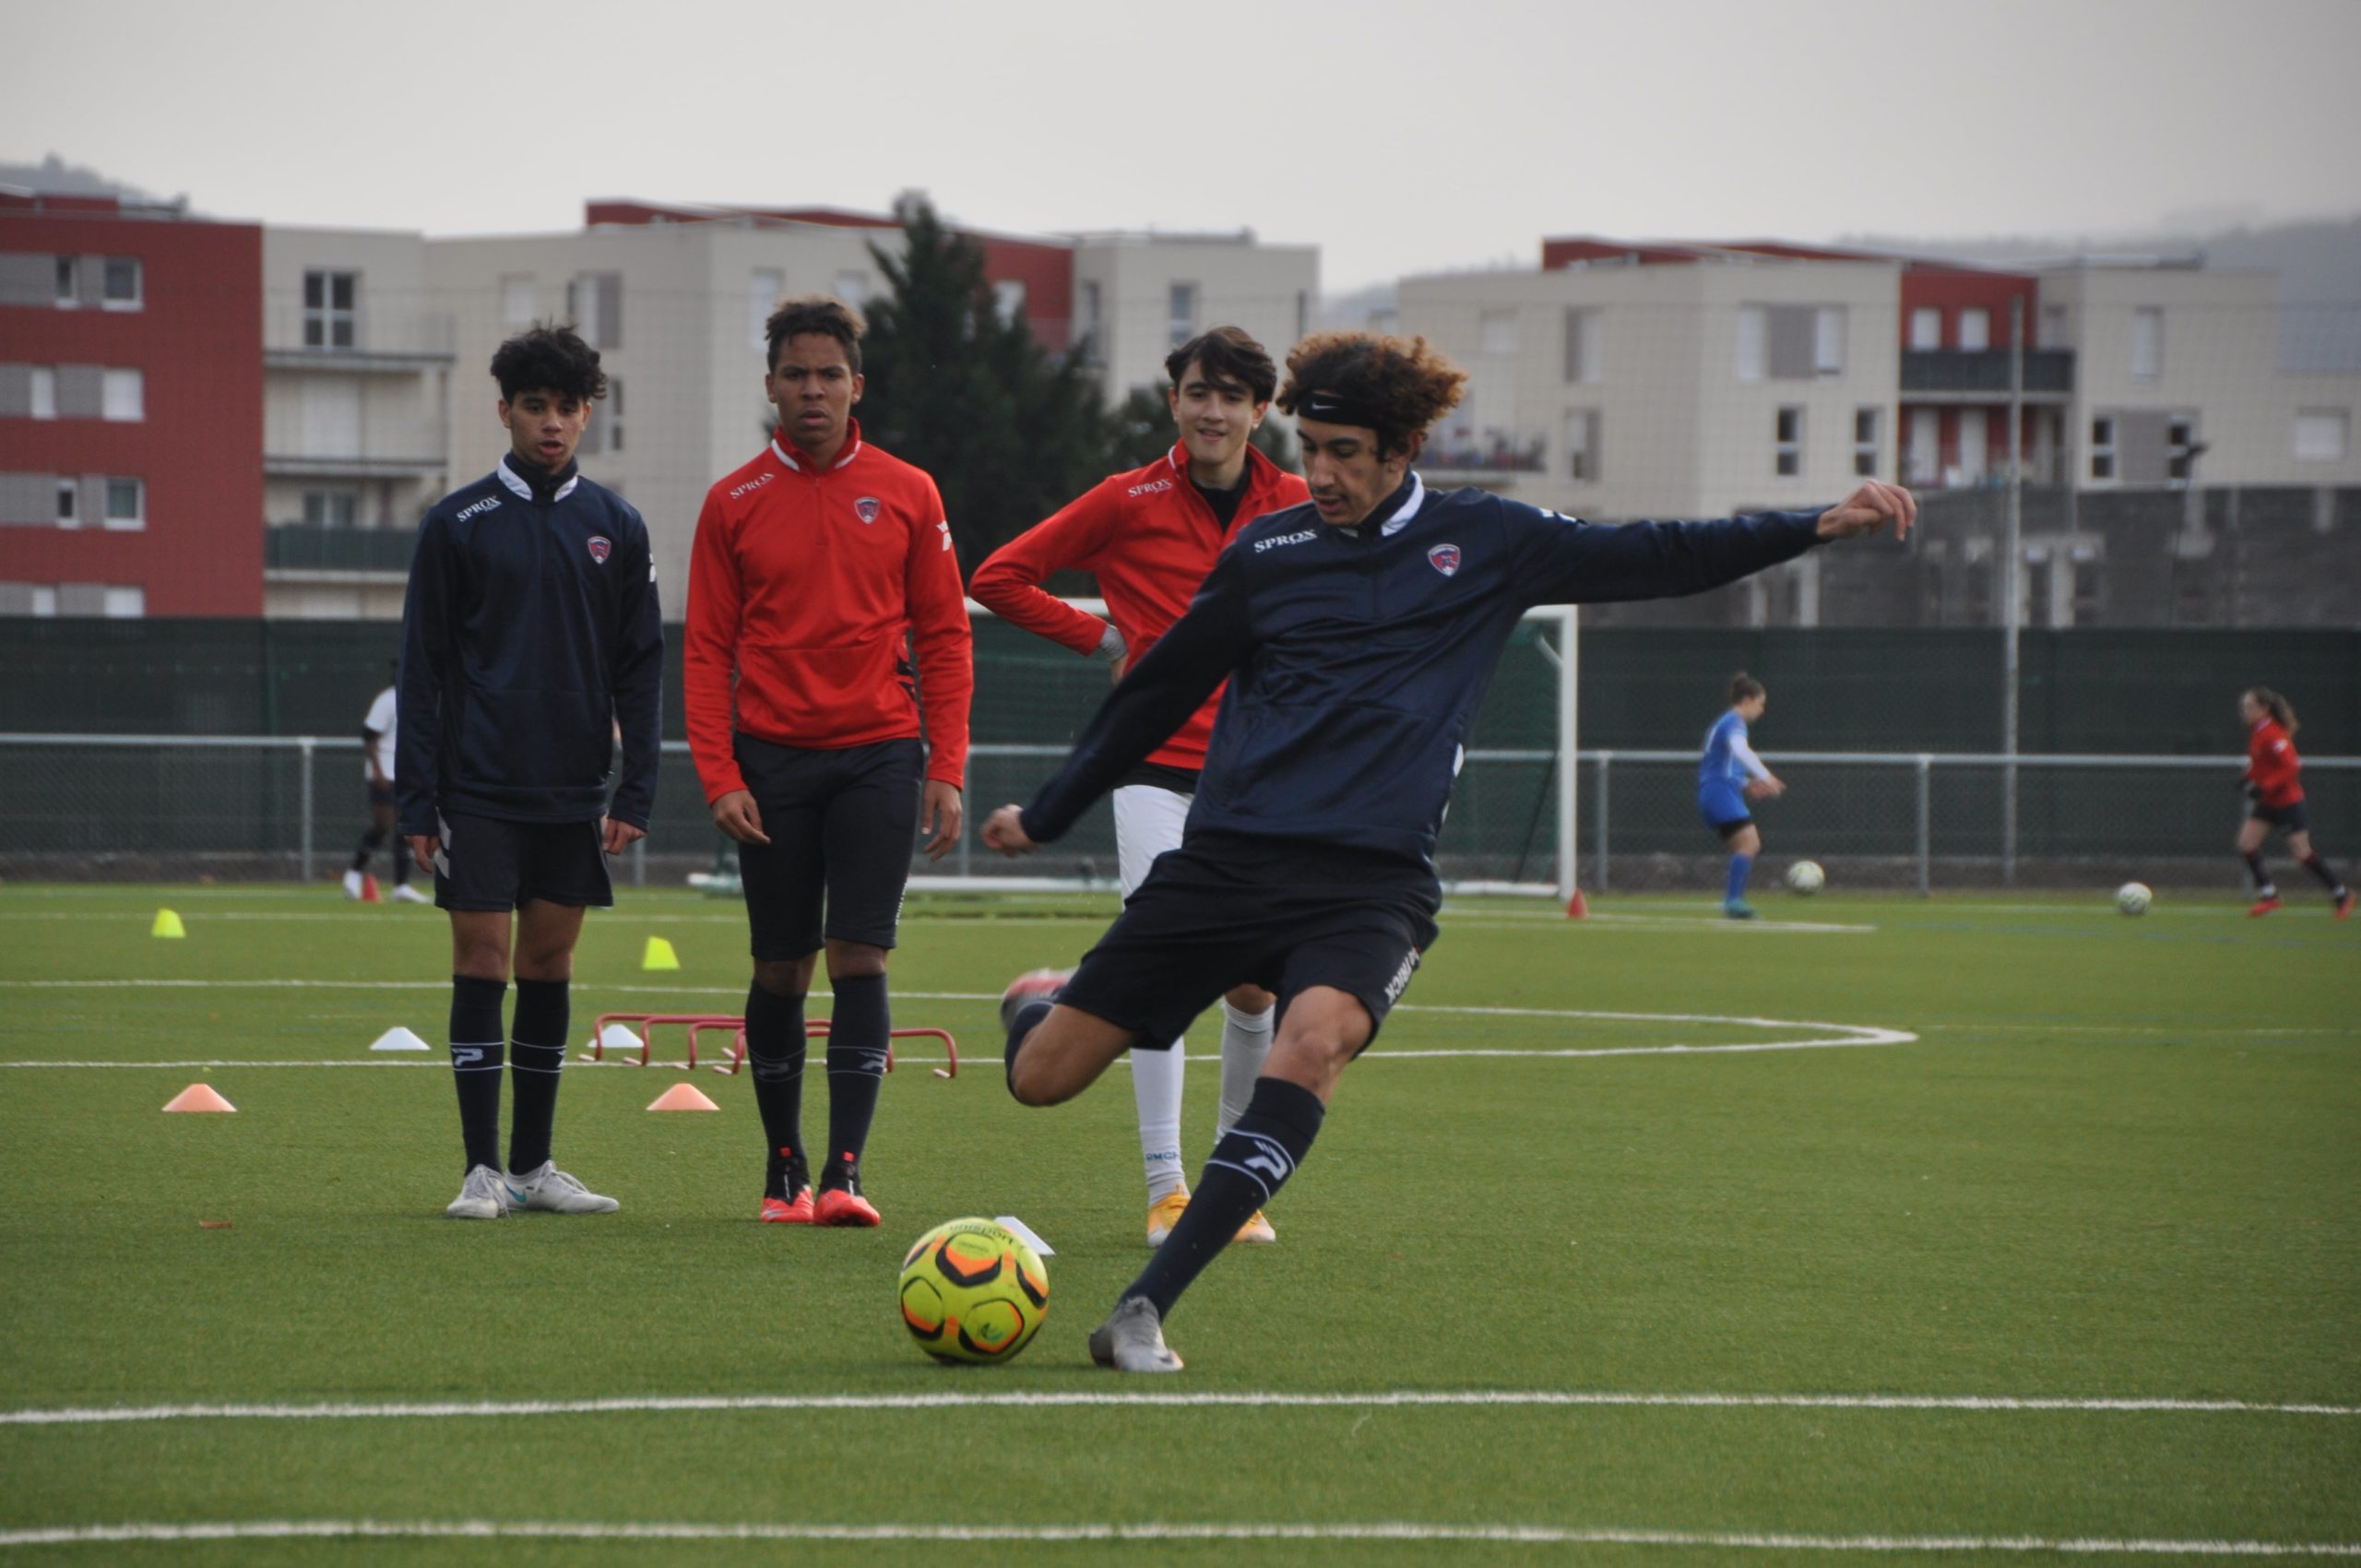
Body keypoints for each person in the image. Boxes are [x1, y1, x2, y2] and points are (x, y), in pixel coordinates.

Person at [982, 330, 1915, 1372]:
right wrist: (1050, 813)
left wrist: (1811, 524)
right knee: (1042, 1080)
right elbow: (1153, 694)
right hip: (1230, 864)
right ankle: (1038, 1007)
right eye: (1310, 448)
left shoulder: (1489, 539)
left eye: (1343, 453)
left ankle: (1142, 1308)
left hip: (1371, 883)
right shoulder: (1266, 557)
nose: (1319, 474)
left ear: (1404, 448)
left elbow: (1657, 551)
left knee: (1313, 1044)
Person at [970, 327, 1309, 1248]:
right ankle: (1166, 1189)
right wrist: (1105, 637)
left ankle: (1233, 1184)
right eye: (1199, 392)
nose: (1213, 411)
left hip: (1262, 778)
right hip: (1151, 770)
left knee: (1253, 990)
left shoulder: (1298, 502)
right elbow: (998, 575)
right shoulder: (1128, 498)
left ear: (1260, 411)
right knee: (1162, 971)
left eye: (1232, 396)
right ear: (1173, 401)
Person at [684, 295, 973, 1228]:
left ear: (858, 386)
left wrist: (946, 763)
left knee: (859, 954)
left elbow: (944, 634)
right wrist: (721, 774)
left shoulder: (909, 490)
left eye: (829, 375)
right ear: (771, 386)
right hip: (770, 764)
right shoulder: (731, 501)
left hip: (879, 754)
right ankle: (785, 1170)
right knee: (781, 968)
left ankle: (847, 1173)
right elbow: (706, 650)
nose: (813, 390)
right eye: (796, 374)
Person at [397, 324, 663, 1221]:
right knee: (482, 959)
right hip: (476, 786)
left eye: (567, 407)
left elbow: (641, 666)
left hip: (572, 789)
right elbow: (423, 667)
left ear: (588, 414)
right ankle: (481, 1170)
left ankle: (533, 1165)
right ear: (504, 410)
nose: (552, 422)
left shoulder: (617, 526)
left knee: (548, 964)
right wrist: (417, 798)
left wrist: (636, 787)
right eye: (535, 406)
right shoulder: (457, 523)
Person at [2236, 686, 2352, 919]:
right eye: (2245, 707)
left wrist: (2265, 786)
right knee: (2246, 843)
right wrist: (2247, 778)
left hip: (2288, 802)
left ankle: (2341, 894)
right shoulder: (2258, 732)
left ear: (2264, 708)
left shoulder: (2273, 733)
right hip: (2269, 802)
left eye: (2250, 706)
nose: (2245, 711)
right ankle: (2269, 895)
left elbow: (2291, 766)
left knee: (2302, 853)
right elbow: (2261, 764)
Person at [1698, 672, 1784, 920]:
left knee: (1744, 846)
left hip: (1717, 791)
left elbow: (1719, 766)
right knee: (1750, 843)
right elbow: (1741, 751)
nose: (1762, 710)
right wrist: (1766, 776)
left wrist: (1747, 783)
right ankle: (1733, 901)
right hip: (1720, 793)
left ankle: (1733, 899)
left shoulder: (1725, 723)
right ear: (1747, 700)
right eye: (1760, 703)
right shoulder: (1734, 723)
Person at [345, 659, 430, 904]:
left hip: (406, 774)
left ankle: (401, 886)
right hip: (385, 772)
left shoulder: (414, 701)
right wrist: (378, 771)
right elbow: (369, 736)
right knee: (382, 824)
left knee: (405, 829)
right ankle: (353, 874)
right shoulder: (388, 700)